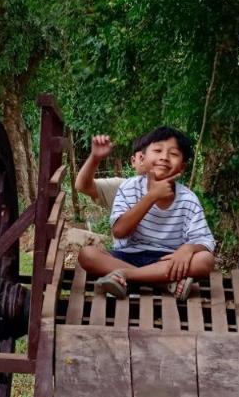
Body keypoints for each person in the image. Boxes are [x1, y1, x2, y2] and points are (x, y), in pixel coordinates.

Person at [77, 127, 216, 300]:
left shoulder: (188, 199)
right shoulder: (128, 187)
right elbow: (119, 231)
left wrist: (188, 248)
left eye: (173, 154)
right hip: (127, 256)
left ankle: (125, 276)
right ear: (143, 158)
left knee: (205, 260)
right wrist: (152, 196)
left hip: (166, 261)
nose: (164, 157)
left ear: (183, 166)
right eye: (157, 150)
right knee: (87, 254)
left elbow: (205, 240)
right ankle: (163, 284)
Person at [74, 133, 146, 211]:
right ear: (133, 161)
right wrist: (94, 158)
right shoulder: (122, 187)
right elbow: (83, 186)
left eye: (158, 152)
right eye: (143, 156)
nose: (151, 159)